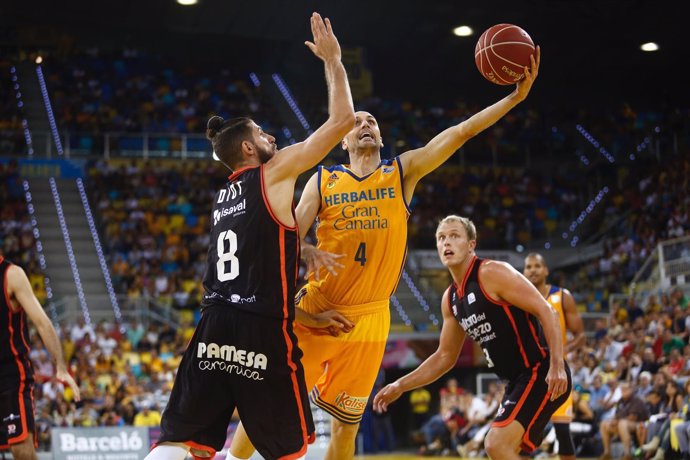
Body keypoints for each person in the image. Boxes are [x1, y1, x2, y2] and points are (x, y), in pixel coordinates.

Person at [230, 43, 542, 460]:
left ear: (379, 136)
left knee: (345, 428)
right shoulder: (322, 181)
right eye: (356, 120)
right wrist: (304, 252)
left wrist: (513, 98)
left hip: (372, 318)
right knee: (269, 401)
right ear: (342, 140)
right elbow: (287, 238)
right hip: (320, 306)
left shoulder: (402, 172)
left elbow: (461, 132)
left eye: (372, 121)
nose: (365, 124)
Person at [145, 12, 355, 460]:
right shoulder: (271, 173)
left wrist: (304, 250)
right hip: (260, 331)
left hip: (212, 325)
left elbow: (259, 261)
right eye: (262, 132)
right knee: (288, 448)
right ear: (247, 148)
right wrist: (334, 62)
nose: (271, 136)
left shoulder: (224, 195)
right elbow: (342, 123)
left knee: (184, 442)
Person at [372, 216, 570, 460]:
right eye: (441, 238)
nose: (447, 242)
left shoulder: (493, 272)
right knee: (505, 451)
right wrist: (399, 385)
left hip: (540, 372)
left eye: (454, 236)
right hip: (514, 383)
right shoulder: (451, 299)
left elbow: (547, 311)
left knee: (496, 445)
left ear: (471, 245)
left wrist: (557, 365)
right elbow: (444, 357)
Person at [0, 256, 80, 460]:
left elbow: (42, 323)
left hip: (11, 375)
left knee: (21, 450)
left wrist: (60, 367)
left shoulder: (12, 274)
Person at [523, 252, 584, 460]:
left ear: (546, 270)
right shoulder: (520, 299)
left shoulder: (562, 296)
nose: (532, 270)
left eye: (537, 266)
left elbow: (581, 335)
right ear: (523, 272)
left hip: (557, 368)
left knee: (562, 431)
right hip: (530, 369)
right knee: (525, 433)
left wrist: (561, 353)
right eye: (528, 267)